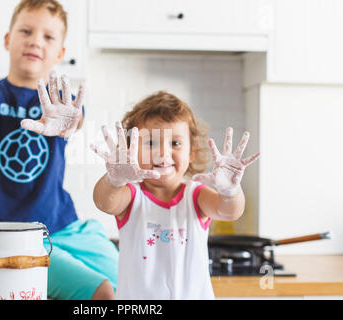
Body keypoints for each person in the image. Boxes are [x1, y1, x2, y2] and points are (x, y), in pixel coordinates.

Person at [0, 0, 118, 300]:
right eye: (26, 30)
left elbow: (73, 118)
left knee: (133, 282)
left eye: (49, 37)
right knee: (103, 293)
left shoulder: (59, 104)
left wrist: (70, 119)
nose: (35, 41)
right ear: (7, 39)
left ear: (61, 53)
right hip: (14, 240)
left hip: (69, 228)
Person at [91, 91, 260, 299]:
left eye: (175, 143)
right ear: (131, 150)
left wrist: (230, 190)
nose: (163, 153)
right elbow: (104, 201)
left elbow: (229, 210)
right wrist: (113, 180)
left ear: (191, 153)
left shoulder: (196, 196)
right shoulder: (131, 197)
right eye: (151, 143)